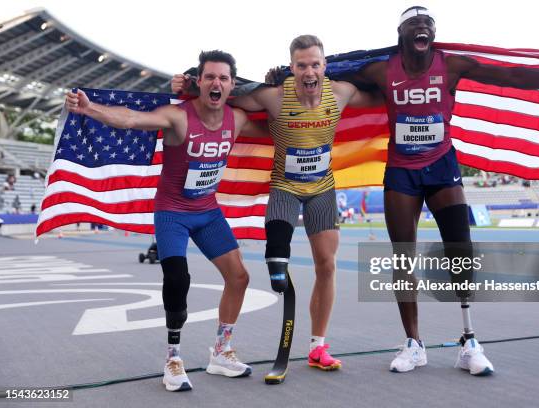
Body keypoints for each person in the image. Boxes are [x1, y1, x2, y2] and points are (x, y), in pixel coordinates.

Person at [354, 6, 539, 375]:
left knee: (460, 249)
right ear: (401, 33)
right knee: (403, 257)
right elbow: (328, 78)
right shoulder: (380, 70)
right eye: (415, 24)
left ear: (432, 35)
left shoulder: (450, 65)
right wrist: (286, 77)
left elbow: (512, 75)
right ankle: (413, 344)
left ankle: (469, 341)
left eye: (429, 25)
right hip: (402, 172)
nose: (424, 28)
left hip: (442, 166)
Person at [172, 34, 381, 371]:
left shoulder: (341, 92)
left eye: (315, 64)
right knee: (278, 268)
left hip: (322, 190)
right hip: (285, 187)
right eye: (301, 66)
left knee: (326, 265)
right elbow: (224, 95)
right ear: (292, 68)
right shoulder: (274, 97)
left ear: (324, 67)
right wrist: (188, 85)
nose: (309, 71)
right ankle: (276, 265)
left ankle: (318, 347)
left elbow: (382, 97)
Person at [66, 50, 265, 392]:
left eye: (223, 78)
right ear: (198, 82)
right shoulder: (179, 117)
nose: (216, 83)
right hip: (172, 212)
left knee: (240, 276)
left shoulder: (238, 118)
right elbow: (130, 118)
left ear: (233, 85)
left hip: (208, 212)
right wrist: (90, 109)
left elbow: (278, 119)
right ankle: (173, 358)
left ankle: (221, 352)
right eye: (210, 77)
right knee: (177, 277)